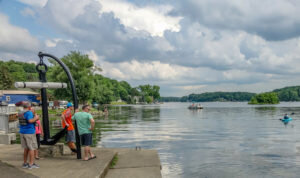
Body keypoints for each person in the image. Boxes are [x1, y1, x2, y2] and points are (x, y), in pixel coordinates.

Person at [18, 102, 40, 169]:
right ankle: (31, 164)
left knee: (26, 148)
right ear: (29, 107)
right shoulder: (29, 112)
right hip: (29, 132)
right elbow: (30, 121)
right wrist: (36, 118)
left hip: (22, 132)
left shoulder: (20, 112)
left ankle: (25, 163)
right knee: (32, 148)